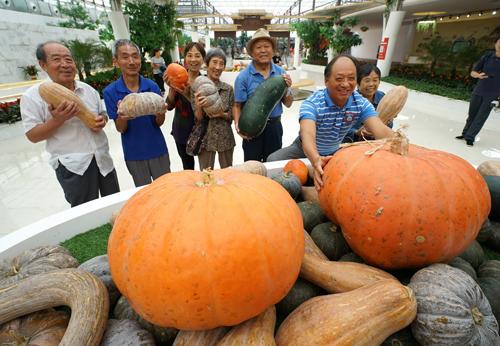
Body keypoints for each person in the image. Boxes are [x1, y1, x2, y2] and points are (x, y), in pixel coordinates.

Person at [267, 55, 394, 190]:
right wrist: (316, 159)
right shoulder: (313, 103)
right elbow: (307, 134)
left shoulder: (360, 103)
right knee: (273, 160)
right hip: (304, 148)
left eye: (351, 78)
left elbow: (380, 129)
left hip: (335, 151)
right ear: (326, 81)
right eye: (339, 79)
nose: (345, 84)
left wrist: (399, 142)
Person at [20, 41, 120, 207]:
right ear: (43, 65)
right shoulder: (32, 97)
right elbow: (32, 135)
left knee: (115, 206)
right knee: (85, 214)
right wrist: (58, 120)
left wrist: (102, 121)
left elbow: (102, 115)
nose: (65, 64)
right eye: (57, 59)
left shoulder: (88, 90)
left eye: (68, 59)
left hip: (103, 159)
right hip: (74, 166)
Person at [103, 39, 170, 187]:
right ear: (116, 61)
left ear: (141, 59)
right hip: (134, 154)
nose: (132, 61)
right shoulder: (110, 92)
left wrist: (161, 112)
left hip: (158, 149)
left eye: (135, 56)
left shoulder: (152, 86)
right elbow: (121, 129)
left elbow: (158, 123)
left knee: (166, 190)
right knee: (144, 195)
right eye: (125, 57)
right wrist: (123, 117)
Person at [233, 28, 294, 162]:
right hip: (251, 127)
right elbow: (237, 105)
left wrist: (287, 88)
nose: (263, 50)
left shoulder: (281, 73)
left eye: (267, 46)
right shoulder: (243, 77)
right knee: (252, 166)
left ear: (272, 50)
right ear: (252, 52)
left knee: (273, 164)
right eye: (258, 47)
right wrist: (238, 127)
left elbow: (288, 103)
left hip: (274, 128)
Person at [191, 48, 235, 170]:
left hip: (225, 138)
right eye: (214, 62)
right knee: (206, 177)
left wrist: (221, 114)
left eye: (221, 64)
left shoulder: (228, 89)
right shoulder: (197, 86)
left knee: (227, 175)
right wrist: (199, 106)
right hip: (205, 139)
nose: (218, 67)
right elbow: (198, 118)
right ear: (207, 64)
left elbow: (231, 117)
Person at [164, 42, 206, 170]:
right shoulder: (178, 77)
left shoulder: (206, 82)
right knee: (188, 168)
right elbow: (169, 106)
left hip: (202, 133)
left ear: (203, 59)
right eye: (190, 55)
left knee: (205, 168)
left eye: (197, 56)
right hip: (181, 130)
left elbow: (206, 113)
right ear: (185, 58)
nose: (193, 59)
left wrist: (188, 95)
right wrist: (171, 89)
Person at [456, 36, 500, 147]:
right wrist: (478, 75)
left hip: (492, 94)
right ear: (495, 44)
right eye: (499, 42)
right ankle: (465, 133)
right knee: (472, 114)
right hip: (479, 90)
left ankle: (470, 137)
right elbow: (473, 73)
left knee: (481, 117)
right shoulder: (487, 57)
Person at [343, 63, 387, 142]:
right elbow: (340, 128)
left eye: (375, 80)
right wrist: (356, 132)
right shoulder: (348, 100)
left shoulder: (383, 98)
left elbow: (388, 126)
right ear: (358, 83)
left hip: (376, 143)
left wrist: (388, 117)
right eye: (367, 80)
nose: (371, 84)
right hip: (353, 143)